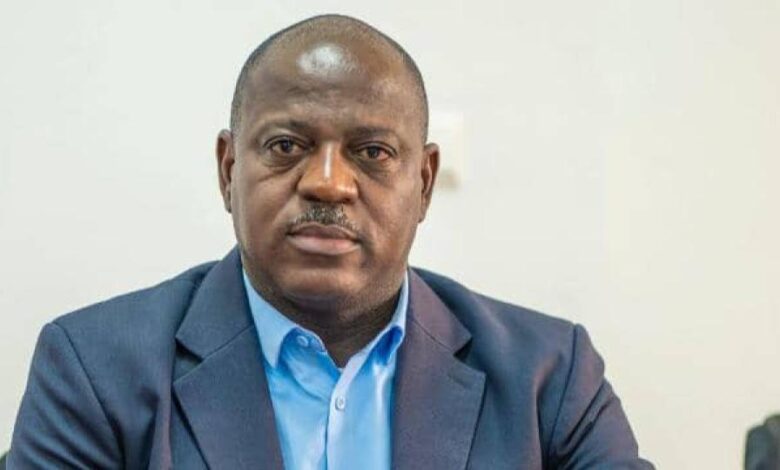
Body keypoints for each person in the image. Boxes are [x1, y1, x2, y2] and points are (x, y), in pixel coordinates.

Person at [8, 14, 653, 470]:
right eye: (287, 145)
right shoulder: (94, 370)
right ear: (228, 170)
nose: (327, 183)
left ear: (424, 182)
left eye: (371, 152)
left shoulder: (549, 379)